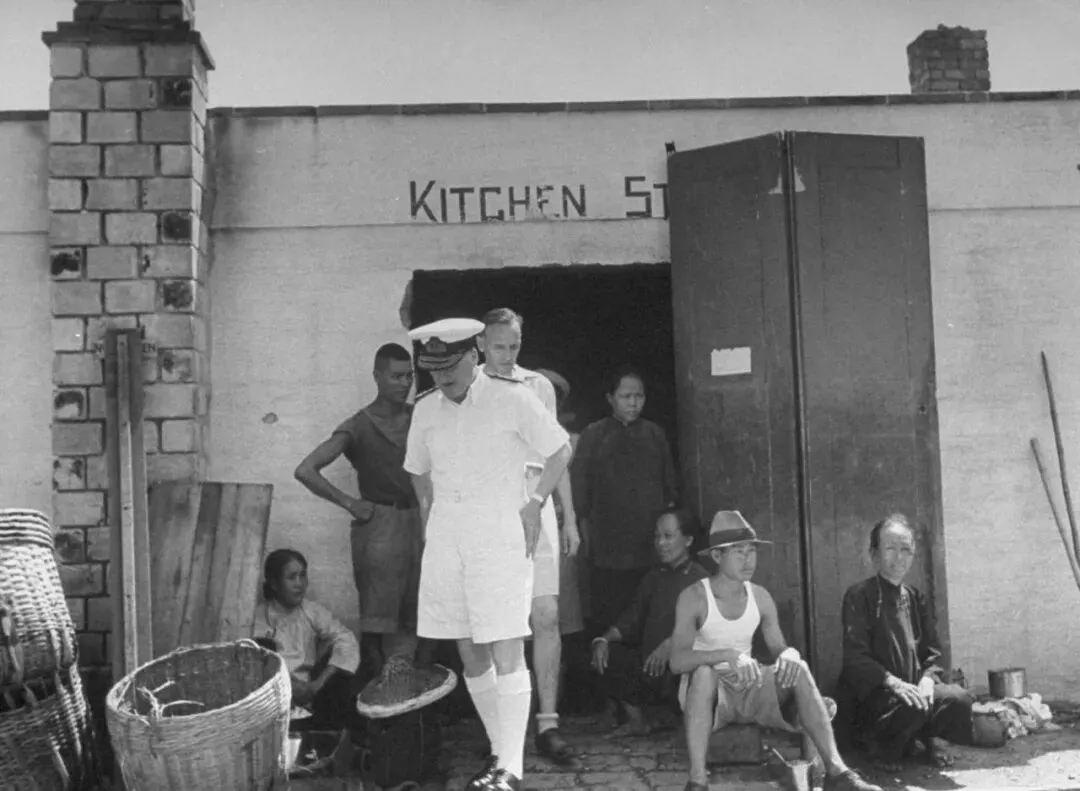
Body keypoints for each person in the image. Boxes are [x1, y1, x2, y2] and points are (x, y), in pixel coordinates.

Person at [404, 317, 573, 791]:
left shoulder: (512, 397)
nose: (441, 378)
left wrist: (535, 502)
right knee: (469, 649)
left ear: (473, 356)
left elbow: (560, 450)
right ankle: (500, 754)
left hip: (499, 538)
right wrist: (428, 514)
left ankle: (512, 769)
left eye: (449, 367)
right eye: (433, 369)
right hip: (448, 540)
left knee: (506, 646)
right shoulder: (426, 408)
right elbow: (417, 468)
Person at [671, 511, 882, 791]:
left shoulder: (760, 596)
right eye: (738, 552)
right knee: (703, 674)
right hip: (709, 697)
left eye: (752, 551)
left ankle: (837, 773)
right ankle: (697, 780)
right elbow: (677, 661)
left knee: (799, 668)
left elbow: (778, 648)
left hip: (749, 686)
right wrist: (726, 655)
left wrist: (789, 654)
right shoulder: (694, 597)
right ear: (717, 556)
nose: (748, 559)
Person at [477, 308, 580, 766]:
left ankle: (548, 723)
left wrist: (569, 517)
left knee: (547, 615)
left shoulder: (538, 386)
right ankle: (503, 731)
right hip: (490, 515)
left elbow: (557, 453)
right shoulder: (469, 389)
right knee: (501, 623)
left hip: (536, 508)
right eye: (498, 345)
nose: (506, 354)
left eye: (514, 346)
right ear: (481, 344)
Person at [294, 342, 421, 675]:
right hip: (380, 528)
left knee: (423, 617)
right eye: (395, 376)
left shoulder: (420, 416)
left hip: (421, 523)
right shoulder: (359, 425)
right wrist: (350, 503)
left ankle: (417, 697)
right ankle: (371, 696)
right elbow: (306, 470)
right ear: (377, 376)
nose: (404, 384)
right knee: (377, 625)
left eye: (408, 376)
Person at [839, 513, 975, 771]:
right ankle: (883, 749)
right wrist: (894, 683)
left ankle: (926, 742)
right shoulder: (859, 596)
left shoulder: (914, 597)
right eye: (890, 548)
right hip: (878, 696)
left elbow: (933, 652)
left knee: (958, 699)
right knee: (911, 706)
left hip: (912, 692)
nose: (899, 557)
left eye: (906, 550)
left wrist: (927, 679)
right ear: (874, 554)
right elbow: (856, 658)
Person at [571, 366, 678, 631]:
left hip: (648, 540)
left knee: (649, 608)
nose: (633, 403)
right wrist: (586, 536)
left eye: (639, 396)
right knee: (611, 608)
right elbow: (581, 491)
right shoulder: (593, 435)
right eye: (625, 396)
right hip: (608, 543)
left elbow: (669, 486)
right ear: (611, 399)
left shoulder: (655, 434)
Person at [591, 507, 708, 736]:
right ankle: (638, 721)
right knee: (606, 655)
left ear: (688, 540)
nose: (661, 543)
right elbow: (631, 619)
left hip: (681, 669)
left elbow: (709, 629)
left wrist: (672, 643)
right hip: (649, 668)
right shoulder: (654, 578)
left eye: (668, 536)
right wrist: (603, 639)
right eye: (657, 537)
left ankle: (675, 719)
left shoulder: (701, 579)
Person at [252, 549, 361, 727]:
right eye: (292, 577)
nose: (299, 584)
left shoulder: (311, 611)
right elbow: (256, 662)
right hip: (272, 695)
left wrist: (320, 682)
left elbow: (345, 638)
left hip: (308, 695)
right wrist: (288, 683)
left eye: (303, 575)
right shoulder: (257, 617)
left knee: (344, 685)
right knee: (262, 648)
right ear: (274, 583)